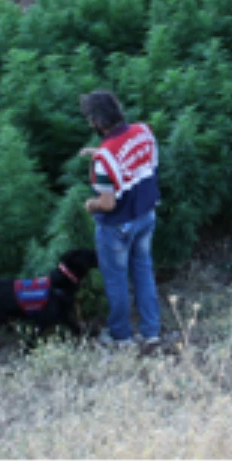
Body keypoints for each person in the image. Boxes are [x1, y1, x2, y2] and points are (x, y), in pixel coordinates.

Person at [79, 90, 161, 348]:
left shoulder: (104, 161)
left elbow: (107, 203)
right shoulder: (144, 132)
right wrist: (100, 152)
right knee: (143, 272)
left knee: (116, 281)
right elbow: (140, 164)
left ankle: (121, 337)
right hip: (146, 216)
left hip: (117, 226)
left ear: (98, 122)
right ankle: (151, 332)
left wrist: (90, 205)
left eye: (89, 119)